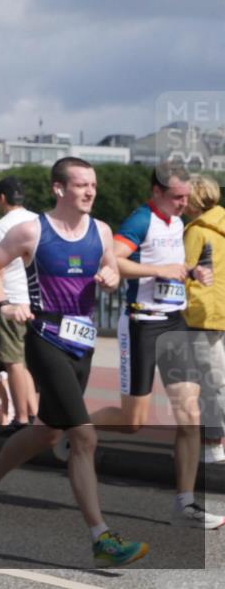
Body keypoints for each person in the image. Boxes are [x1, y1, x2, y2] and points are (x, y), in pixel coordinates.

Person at [0, 157, 149, 568]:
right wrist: (5, 303)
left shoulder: (101, 231)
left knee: (49, 432)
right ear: (59, 189)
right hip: (44, 337)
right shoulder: (33, 231)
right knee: (83, 437)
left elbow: (110, 266)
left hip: (82, 342)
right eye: (81, 185)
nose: (89, 192)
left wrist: (112, 277)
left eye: (93, 185)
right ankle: (101, 537)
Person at [85, 164, 223, 529]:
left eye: (186, 196)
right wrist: (159, 273)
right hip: (141, 324)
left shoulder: (178, 223)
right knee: (133, 422)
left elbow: (171, 266)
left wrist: (192, 273)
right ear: (157, 192)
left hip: (174, 323)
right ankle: (79, 427)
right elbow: (112, 260)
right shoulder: (140, 220)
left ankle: (186, 502)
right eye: (177, 197)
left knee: (190, 416)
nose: (185, 202)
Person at [0, 177, 38, 433]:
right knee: (26, 362)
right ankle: (35, 411)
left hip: (13, 300)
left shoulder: (4, 225)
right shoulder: (37, 221)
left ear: (2, 198)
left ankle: (22, 419)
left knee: (13, 362)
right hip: (36, 299)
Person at [183, 175, 225, 465]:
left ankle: (212, 446)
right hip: (220, 311)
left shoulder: (197, 231)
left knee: (211, 384)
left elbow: (180, 270)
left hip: (202, 314)